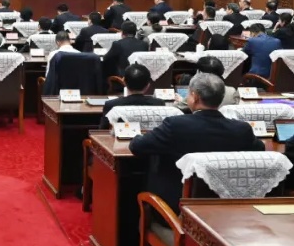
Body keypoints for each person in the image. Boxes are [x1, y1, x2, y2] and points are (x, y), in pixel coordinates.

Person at [129, 73, 264, 213]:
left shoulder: (175, 125)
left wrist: (136, 135)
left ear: (195, 97)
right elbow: (260, 149)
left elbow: (137, 146)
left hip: (176, 209)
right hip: (225, 208)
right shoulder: (241, 130)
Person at [99, 64, 164, 128]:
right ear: (148, 85)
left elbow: (103, 130)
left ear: (124, 82)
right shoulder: (159, 104)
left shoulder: (111, 105)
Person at [175, 54, 240, 110]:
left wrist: (180, 101)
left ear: (200, 73)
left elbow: (178, 107)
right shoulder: (232, 92)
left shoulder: (196, 92)